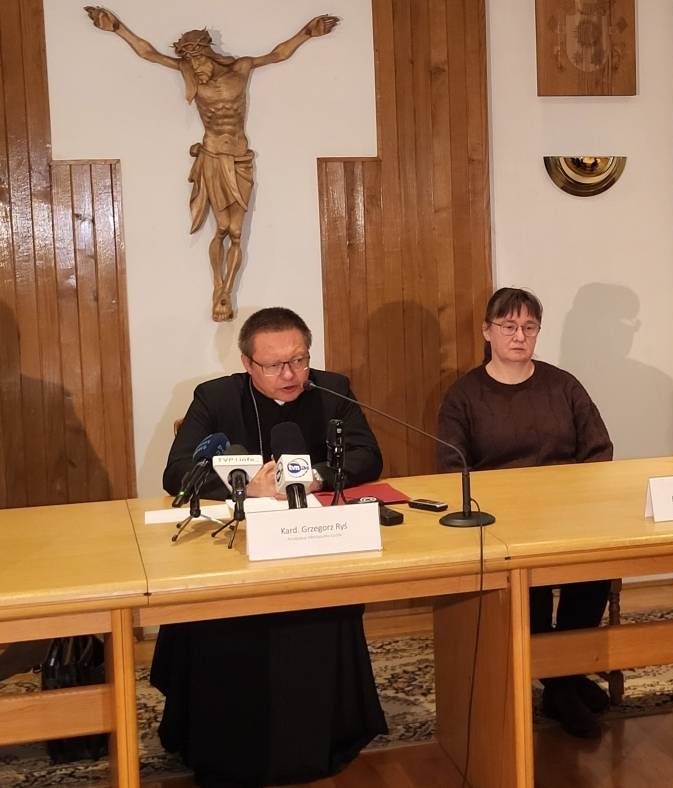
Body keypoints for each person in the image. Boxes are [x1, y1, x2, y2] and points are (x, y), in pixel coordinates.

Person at [155, 307, 387, 786]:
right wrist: (245, 487)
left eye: (300, 360)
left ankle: (325, 732)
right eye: (275, 365)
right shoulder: (216, 398)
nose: (291, 374)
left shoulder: (332, 389)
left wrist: (317, 475)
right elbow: (177, 473)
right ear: (247, 363)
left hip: (314, 547)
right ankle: (226, 742)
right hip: (233, 556)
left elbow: (368, 455)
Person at [437, 288, 614, 739]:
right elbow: (453, 468)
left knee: (594, 570)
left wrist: (575, 496)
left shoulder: (563, 385)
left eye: (529, 327)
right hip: (503, 524)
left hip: (567, 515)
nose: (519, 336)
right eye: (509, 327)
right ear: (487, 331)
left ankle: (562, 679)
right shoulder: (464, 396)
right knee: (524, 584)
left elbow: (599, 450)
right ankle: (562, 684)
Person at [84, 7, 338, 321]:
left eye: (197, 61)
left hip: (240, 159)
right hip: (213, 156)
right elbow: (149, 53)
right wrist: (117, 28)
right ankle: (219, 289)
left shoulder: (241, 68)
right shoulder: (188, 71)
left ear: (209, 54)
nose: (194, 69)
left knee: (236, 231)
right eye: (189, 63)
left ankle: (226, 290)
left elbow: (278, 54)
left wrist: (308, 33)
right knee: (220, 229)